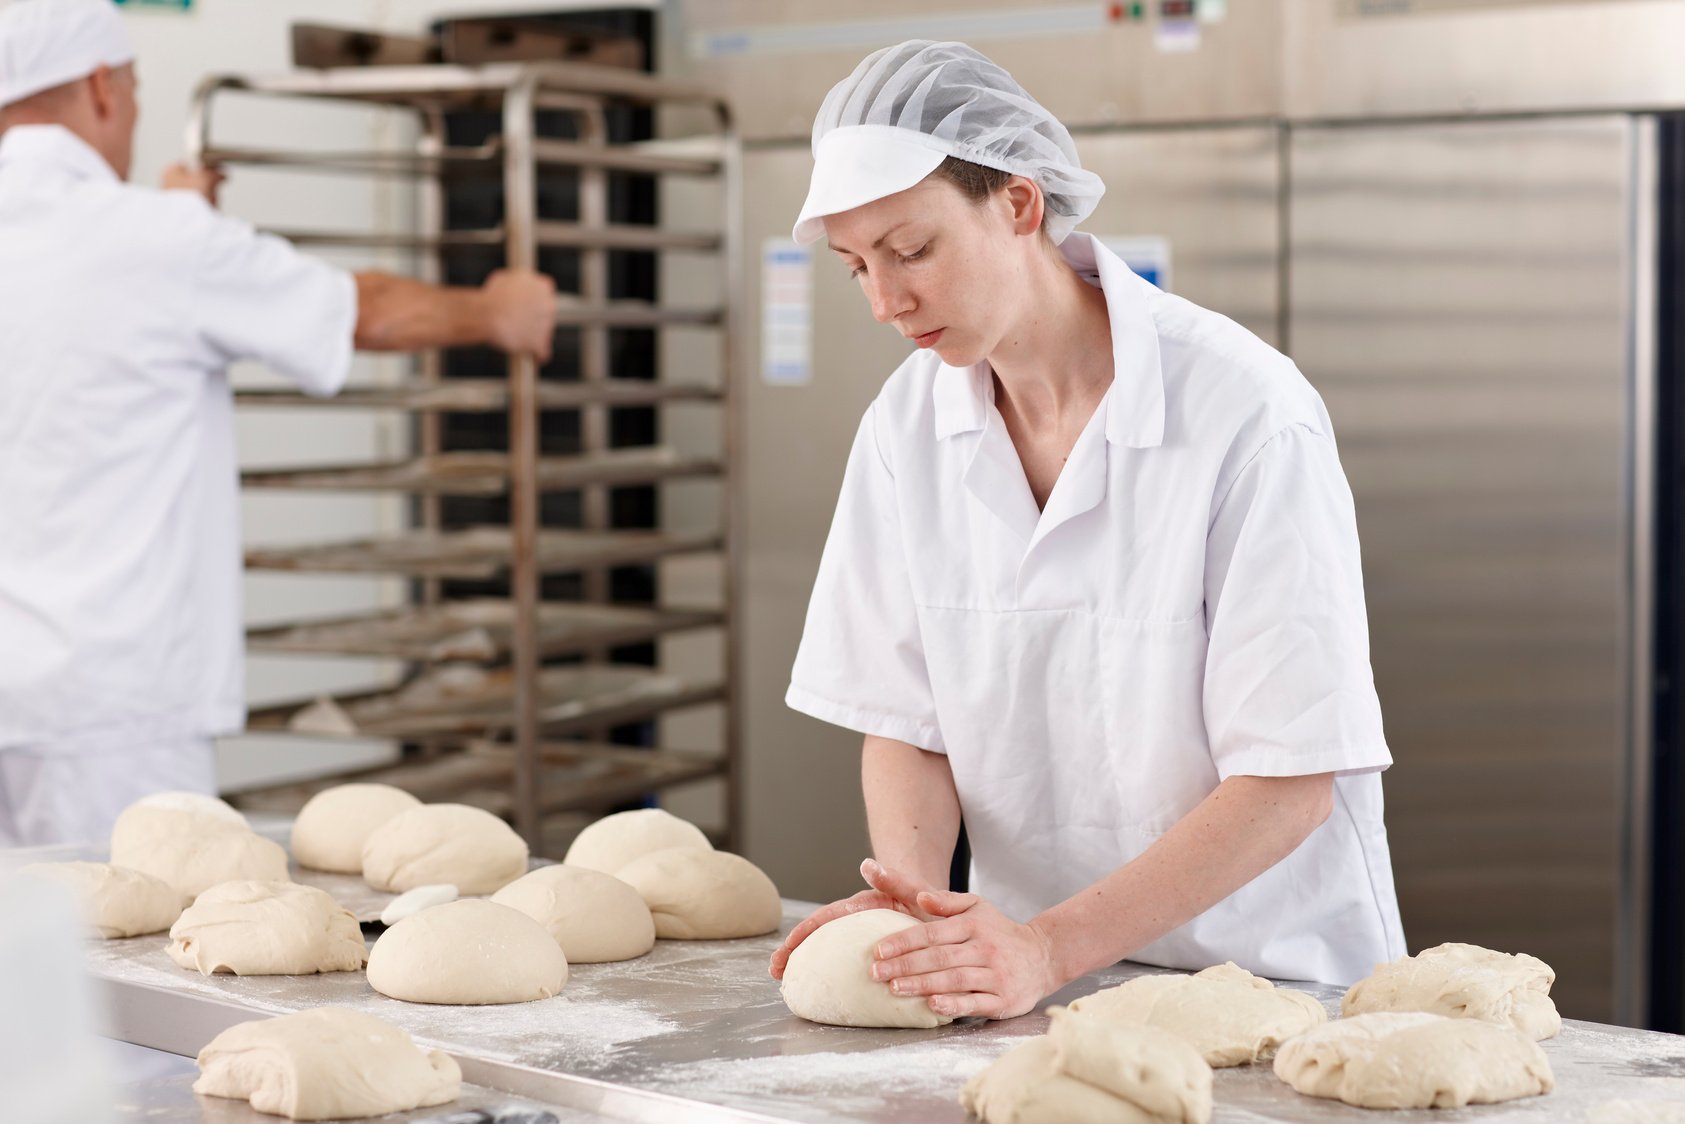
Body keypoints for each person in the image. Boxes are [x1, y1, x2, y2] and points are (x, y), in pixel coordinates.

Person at [768, 40, 1406, 1018]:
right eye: (856, 266)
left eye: (910, 250)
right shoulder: (907, 426)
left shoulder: (1244, 411)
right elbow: (905, 719)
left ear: (1017, 204)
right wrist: (917, 901)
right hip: (1042, 991)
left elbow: (1288, 781)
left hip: (1271, 990)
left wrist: (1044, 945)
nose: (883, 301)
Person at [0, 0, 558, 847]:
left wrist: (186, 225)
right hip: (111, 714)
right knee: (117, 955)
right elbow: (357, 311)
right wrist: (496, 309)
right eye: (137, 89)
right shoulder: (156, 243)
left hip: (18, 690)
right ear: (100, 88)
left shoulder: (141, 240)